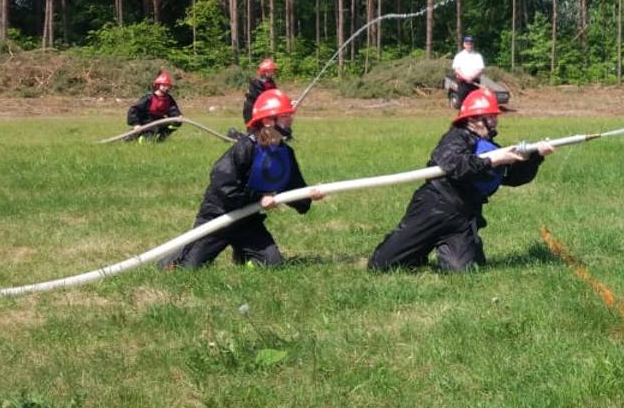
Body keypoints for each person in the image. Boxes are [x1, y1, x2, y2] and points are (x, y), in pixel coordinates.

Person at [368, 87, 553, 272]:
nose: (496, 121)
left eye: (495, 116)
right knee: (381, 265)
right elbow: (453, 163)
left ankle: (443, 246)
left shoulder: (490, 148)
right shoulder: (456, 138)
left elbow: (514, 178)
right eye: (491, 117)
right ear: (473, 119)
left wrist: (535, 158)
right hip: (434, 206)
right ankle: (417, 248)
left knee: (464, 270)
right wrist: (493, 160)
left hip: (463, 216)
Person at [161, 89, 325, 269]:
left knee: (273, 264)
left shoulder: (285, 154)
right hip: (219, 217)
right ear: (268, 121)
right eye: (284, 116)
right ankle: (173, 259)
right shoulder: (246, 148)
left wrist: (309, 196)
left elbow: (293, 190)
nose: (291, 119)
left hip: (247, 220)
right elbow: (222, 184)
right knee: (188, 268)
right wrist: (259, 198)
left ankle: (243, 254)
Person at [125, 71, 183, 143]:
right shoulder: (149, 98)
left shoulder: (168, 99)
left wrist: (178, 116)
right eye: (164, 85)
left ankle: (161, 138)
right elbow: (134, 109)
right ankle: (139, 138)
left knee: (176, 123)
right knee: (150, 135)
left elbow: (173, 109)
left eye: (168, 86)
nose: (167, 88)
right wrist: (136, 124)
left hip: (159, 119)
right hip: (146, 121)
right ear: (158, 86)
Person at [448, 36, 485, 108]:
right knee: (462, 102)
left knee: (475, 102)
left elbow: (480, 69)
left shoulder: (478, 56)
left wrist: (472, 77)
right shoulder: (459, 56)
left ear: (473, 44)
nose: (469, 45)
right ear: (464, 44)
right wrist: (465, 77)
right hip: (462, 83)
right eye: (467, 44)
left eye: (470, 43)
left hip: (474, 82)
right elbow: (456, 69)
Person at [241, 58, 280, 126]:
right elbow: (262, 98)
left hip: (263, 110)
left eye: (273, 71)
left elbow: (275, 94)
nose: (273, 73)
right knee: (256, 129)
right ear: (264, 71)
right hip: (252, 111)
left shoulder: (271, 82)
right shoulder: (256, 83)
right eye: (271, 71)